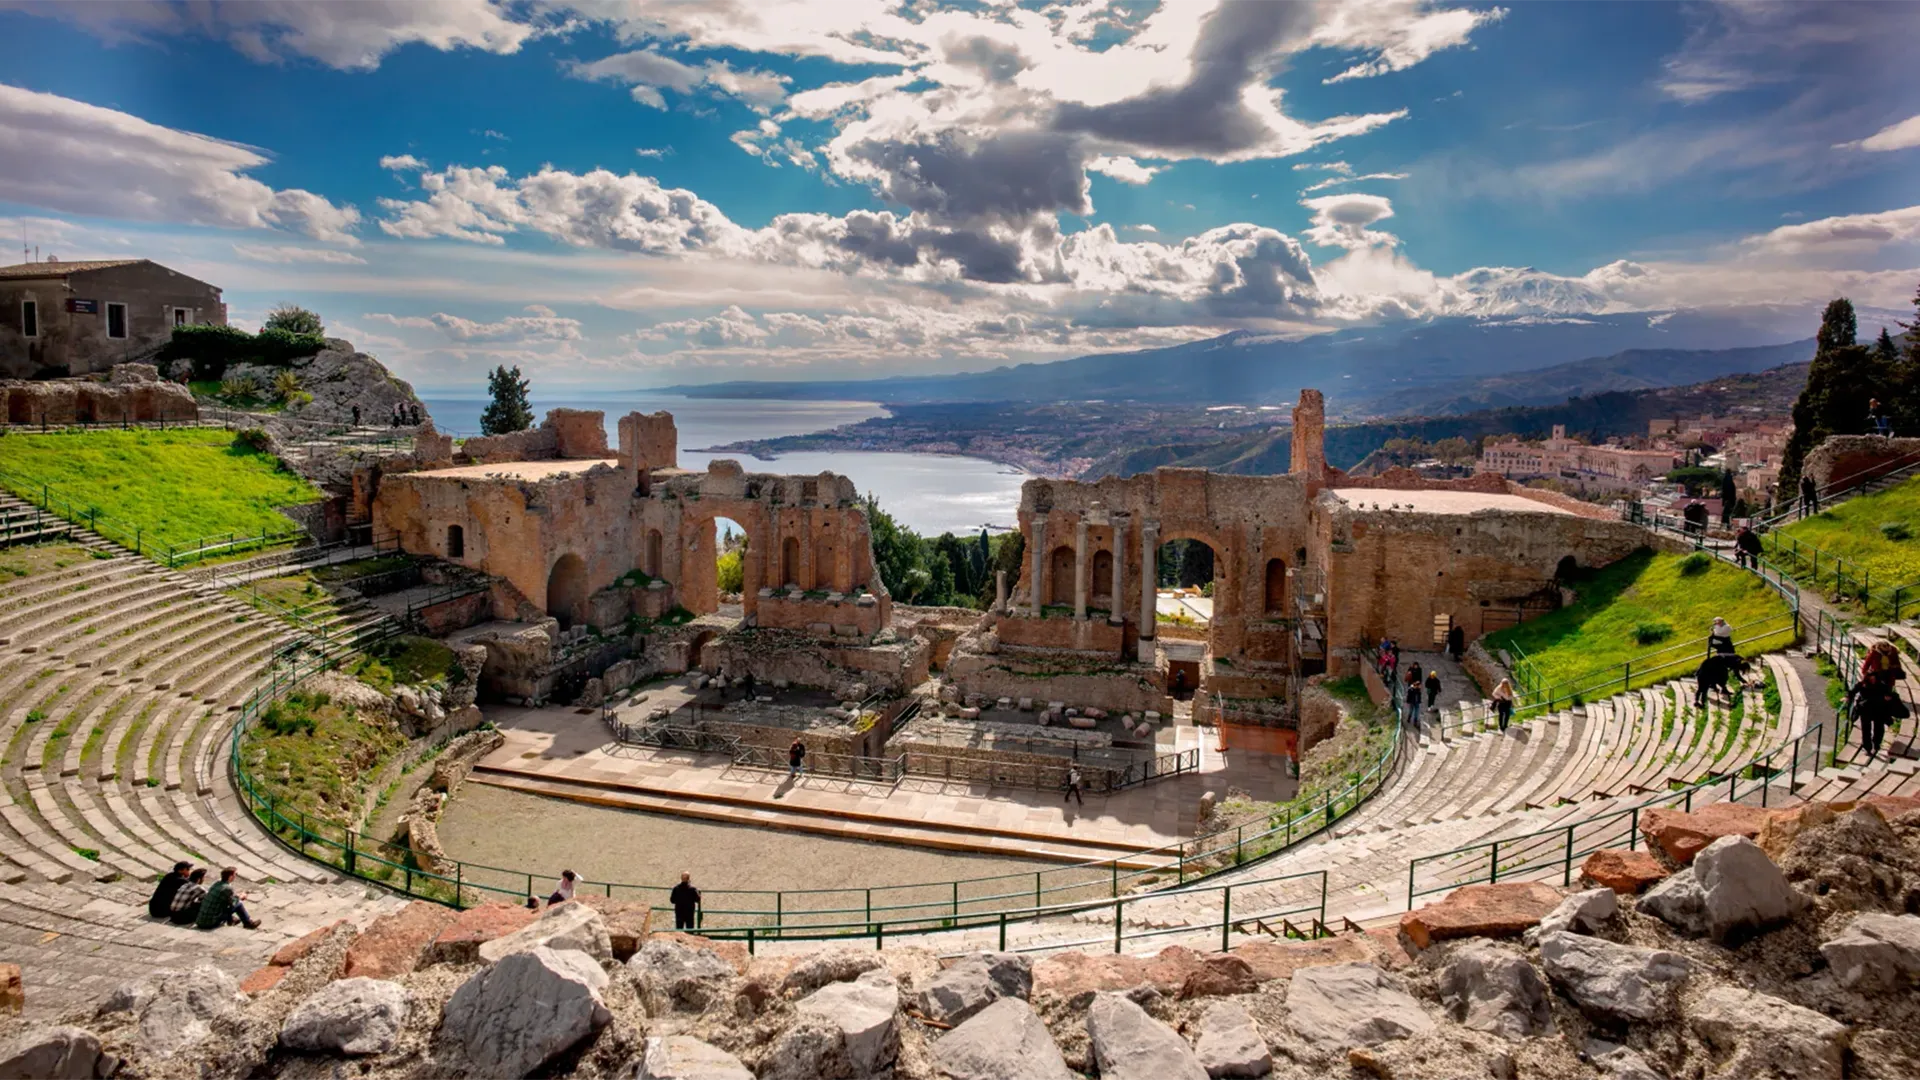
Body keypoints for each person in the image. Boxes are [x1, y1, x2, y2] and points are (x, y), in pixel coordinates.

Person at [1856, 641, 1908, 761]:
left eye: (1887, 649)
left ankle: (1876, 744)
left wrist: (1892, 668)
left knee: (1879, 722)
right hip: (1870, 698)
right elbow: (1865, 668)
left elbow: (1897, 665)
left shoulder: (1893, 652)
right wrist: (1869, 677)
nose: (1886, 650)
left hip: (1887, 682)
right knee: (1867, 724)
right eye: (1884, 649)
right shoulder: (1874, 654)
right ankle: (1868, 747)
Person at [195, 867, 260, 930]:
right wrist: (240, 897)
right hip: (210, 923)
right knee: (239, 904)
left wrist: (235, 896)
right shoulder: (227, 888)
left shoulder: (216, 884)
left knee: (224, 903)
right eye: (235, 874)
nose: (235, 876)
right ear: (230, 876)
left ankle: (231, 920)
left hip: (200, 921)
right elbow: (233, 903)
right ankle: (248, 923)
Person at [1402, 662, 1424, 726]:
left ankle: (1410, 719)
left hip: (1414, 699)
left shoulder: (1412, 687)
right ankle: (1414, 720)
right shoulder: (1414, 687)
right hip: (1414, 699)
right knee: (1415, 709)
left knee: (1413, 709)